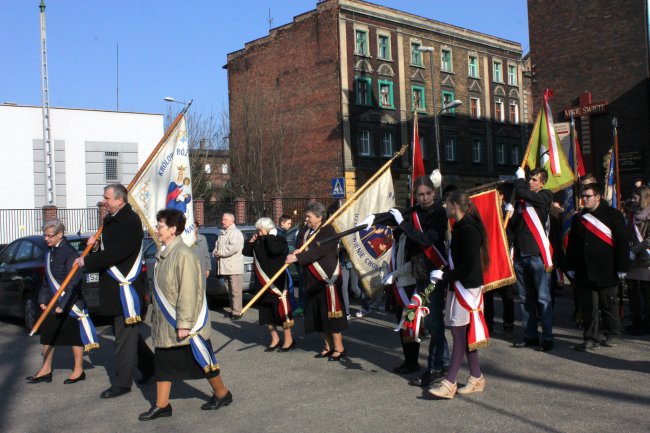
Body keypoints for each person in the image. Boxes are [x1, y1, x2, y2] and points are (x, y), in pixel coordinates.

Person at [139, 209, 232, 421]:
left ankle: (222, 393)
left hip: (182, 323)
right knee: (162, 364)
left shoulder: (183, 255)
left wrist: (183, 323)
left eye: (160, 225)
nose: (156, 229)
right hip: (166, 323)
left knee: (203, 361)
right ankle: (162, 405)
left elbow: (189, 292)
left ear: (172, 229)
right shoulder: (165, 253)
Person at [75, 184, 155, 398]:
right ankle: (152, 367)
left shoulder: (130, 221)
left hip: (125, 290)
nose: (104, 201)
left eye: (107, 197)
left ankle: (122, 383)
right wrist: (94, 244)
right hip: (114, 289)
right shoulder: (111, 220)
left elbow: (119, 252)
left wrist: (88, 261)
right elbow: (109, 247)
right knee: (128, 336)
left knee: (123, 339)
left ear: (120, 200)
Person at [389, 176, 450, 386]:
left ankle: (435, 368)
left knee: (434, 323)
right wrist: (373, 219)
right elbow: (393, 218)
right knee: (431, 323)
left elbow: (425, 239)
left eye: (428, 194)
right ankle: (443, 362)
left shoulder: (438, 212)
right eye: (420, 195)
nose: (424, 198)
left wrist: (402, 223)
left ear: (434, 193)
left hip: (434, 272)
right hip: (420, 272)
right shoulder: (415, 211)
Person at [429, 190, 490, 399]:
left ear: (455, 205)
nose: (445, 207)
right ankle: (476, 377)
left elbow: (468, 265)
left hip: (468, 287)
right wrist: (445, 274)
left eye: (446, 203)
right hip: (460, 285)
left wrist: (445, 277)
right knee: (463, 334)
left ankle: (450, 383)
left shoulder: (468, 229)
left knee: (458, 334)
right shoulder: (461, 227)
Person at [26, 219, 99, 384]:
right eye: (45, 235)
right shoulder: (49, 252)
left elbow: (73, 281)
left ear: (60, 234)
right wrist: (43, 299)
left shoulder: (70, 253)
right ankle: (45, 369)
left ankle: (78, 370)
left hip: (70, 303)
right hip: (52, 302)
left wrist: (62, 305)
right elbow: (47, 279)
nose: (46, 239)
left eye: (50, 235)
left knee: (74, 337)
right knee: (47, 336)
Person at [566, 183, 630, 351]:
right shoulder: (579, 218)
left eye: (587, 196)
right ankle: (590, 338)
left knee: (608, 304)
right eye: (583, 196)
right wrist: (570, 265)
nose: (584, 199)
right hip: (585, 270)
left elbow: (622, 243)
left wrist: (622, 267)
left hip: (607, 269)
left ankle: (612, 333)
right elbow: (573, 244)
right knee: (589, 307)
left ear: (597, 197)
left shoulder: (613, 215)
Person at [285, 202, 348, 361]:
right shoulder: (306, 231)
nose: (306, 220)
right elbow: (302, 246)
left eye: (309, 217)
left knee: (331, 317)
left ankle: (339, 348)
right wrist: (298, 250)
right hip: (312, 280)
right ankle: (327, 346)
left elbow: (319, 252)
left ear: (319, 217)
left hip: (327, 280)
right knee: (318, 315)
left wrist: (297, 257)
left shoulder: (328, 231)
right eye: (306, 217)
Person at [511, 167, 555, 351]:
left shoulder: (545, 196)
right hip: (521, 255)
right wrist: (510, 211)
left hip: (537, 255)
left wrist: (519, 180)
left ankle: (547, 337)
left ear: (542, 183)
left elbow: (523, 190)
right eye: (529, 179)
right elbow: (514, 227)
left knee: (543, 298)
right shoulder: (521, 202)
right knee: (525, 298)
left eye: (535, 180)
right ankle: (530, 335)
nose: (530, 182)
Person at [243, 217, 295, 351]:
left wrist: (269, 236)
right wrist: (252, 240)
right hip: (262, 281)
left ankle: (289, 339)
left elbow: (274, 250)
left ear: (267, 228)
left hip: (276, 281)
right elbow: (246, 252)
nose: (258, 232)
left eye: (260, 230)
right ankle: (275, 338)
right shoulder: (260, 240)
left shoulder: (278, 239)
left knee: (280, 311)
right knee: (267, 313)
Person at [483, 186, 515, 338]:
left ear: (501, 196)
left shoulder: (508, 211)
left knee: (507, 296)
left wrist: (511, 217)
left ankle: (508, 324)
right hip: (489, 258)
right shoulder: (487, 211)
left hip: (504, 258)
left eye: (497, 195)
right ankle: (488, 325)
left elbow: (513, 236)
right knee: (487, 295)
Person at [626, 186, 650, 335]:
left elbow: (649, 240)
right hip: (632, 262)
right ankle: (636, 321)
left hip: (646, 260)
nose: (633, 200)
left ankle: (646, 324)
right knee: (633, 293)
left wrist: (634, 250)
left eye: (636, 197)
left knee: (647, 295)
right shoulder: (631, 215)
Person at [214, 213, 244, 319]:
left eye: (225, 219)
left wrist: (219, 253)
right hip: (225, 267)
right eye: (223, 219)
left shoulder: (236, 233)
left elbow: (232, 249)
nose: (223, 221)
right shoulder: (223, 233)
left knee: (236, 291)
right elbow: (216, 246)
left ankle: (237, 312)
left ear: (232, 220)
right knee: (229, 291)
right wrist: (215, 252)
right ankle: (233, 310)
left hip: (234, 267)